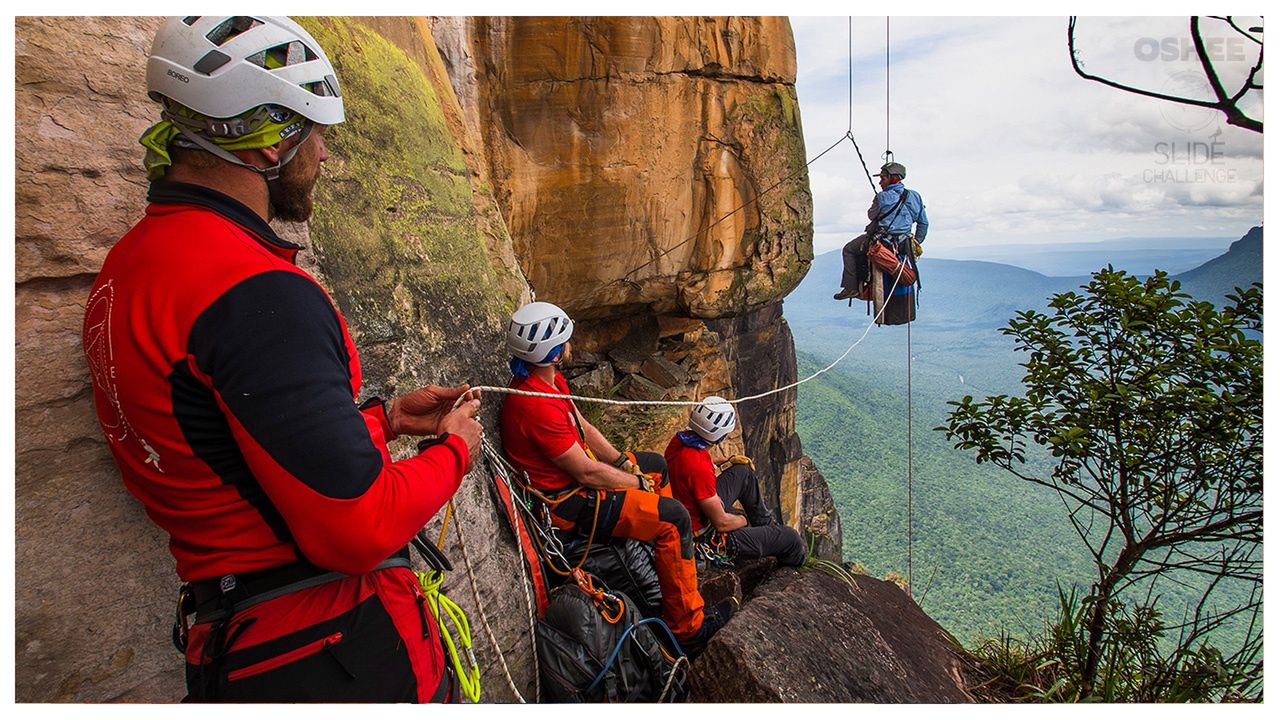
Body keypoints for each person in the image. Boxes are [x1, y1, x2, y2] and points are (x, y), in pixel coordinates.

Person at [81, 16, 482, 702]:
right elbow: (359, 530)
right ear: (268, 142)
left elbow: (227, 445)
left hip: (241, 641)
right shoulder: (253, 293)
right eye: (315, 132)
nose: (324, 155)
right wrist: (454, 452)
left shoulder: (132, 267)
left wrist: (382, 423)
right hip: (333, 647)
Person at [498, 301, 737, 657]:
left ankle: (671, 559)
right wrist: (635, 483)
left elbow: (584, 428)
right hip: (569, 504)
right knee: (674, 518)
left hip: (577, 482)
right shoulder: (534, 405)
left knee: (655, 463)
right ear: (552, 351)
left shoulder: (547, 382)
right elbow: (585, 472)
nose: (570, 345)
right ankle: (689, 628)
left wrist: (623, 461)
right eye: (565, 339)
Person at [665, 397, 807, 567]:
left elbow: (690, 469)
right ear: (720, 436)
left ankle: (766, 526)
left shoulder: (680, 441)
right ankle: (793, 569)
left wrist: (728, 460)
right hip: (702, 536)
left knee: (742, 471)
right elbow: (722, 523)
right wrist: (744, 520)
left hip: (688, 506)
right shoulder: (699, 467)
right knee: (791, 538)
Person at [834, 161, 929, 301]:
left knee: (849, 249)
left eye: (883, 178)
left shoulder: (882, 197)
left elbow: (871, 215)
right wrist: (916, 243)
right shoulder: (915, 196)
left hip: (882, 242)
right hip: (905, 243)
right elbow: (923, 223)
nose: (880, 182)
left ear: (894, 178)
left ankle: (851, 288)